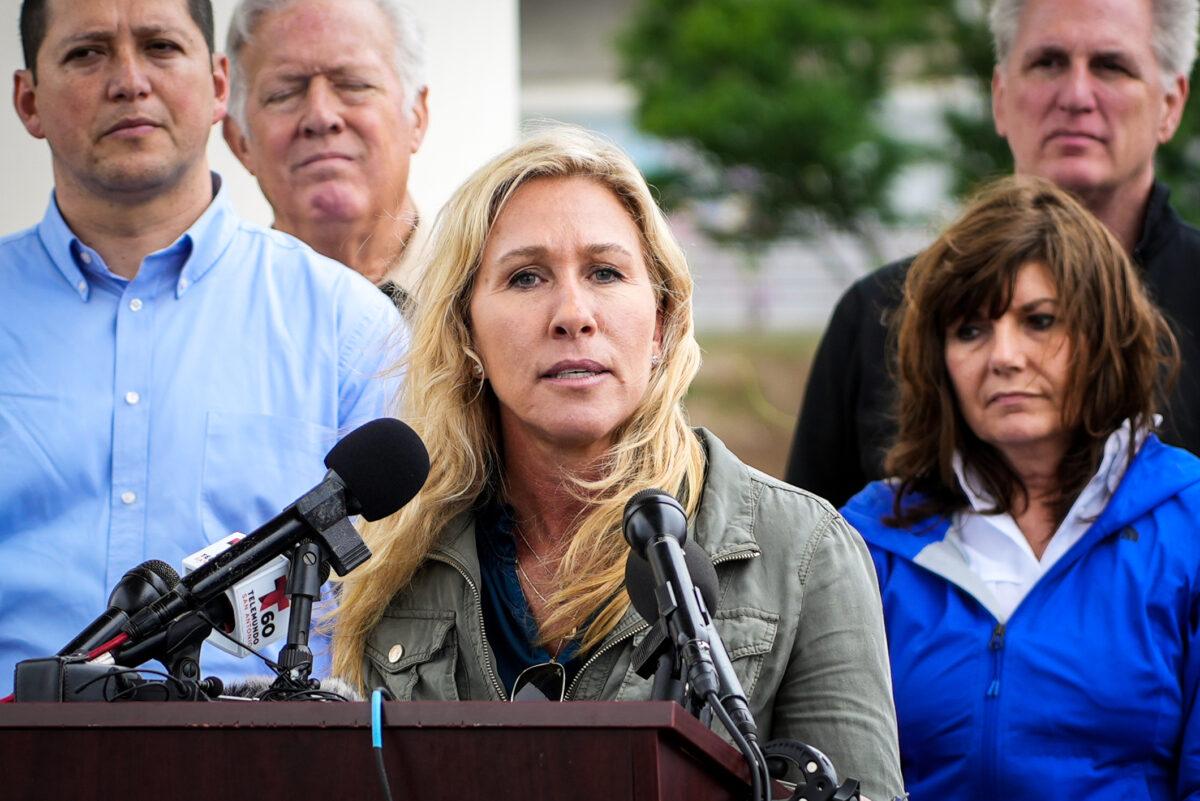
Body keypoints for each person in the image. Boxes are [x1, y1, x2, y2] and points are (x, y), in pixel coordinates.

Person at [328, 126, 906, 800]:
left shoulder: (804, 551)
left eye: (605, 272)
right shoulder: (394, 561)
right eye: (526, 277)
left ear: (660, 321)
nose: (573, 314)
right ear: (467, 334)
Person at [0, 0, 401, 694]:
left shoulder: (348, 329)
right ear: (28, 100)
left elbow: (406, 616)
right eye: (87, 53)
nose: (129, 80)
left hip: (267, 766)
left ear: (219, 85)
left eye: (159, 46)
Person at [840, 176, 1200, 800]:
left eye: (1039, 321)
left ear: (1104, 337)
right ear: (939, 361)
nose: (1003, 356)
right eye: (970, 330)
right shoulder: (867, 538)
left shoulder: (1190, 523)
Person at [787, 0, 1200, 507]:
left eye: (1111, 66)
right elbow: (808, 568)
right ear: (1000, 98)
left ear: (1171, 104)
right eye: (1047, 63)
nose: (1076, 95)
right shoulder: (881, 315)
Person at [222, 0, 429, 311]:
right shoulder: (208, 317)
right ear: (240, 140)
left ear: (416, 117)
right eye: (284, 93)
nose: (321, 116)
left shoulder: (494, 289)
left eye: (354, 84)